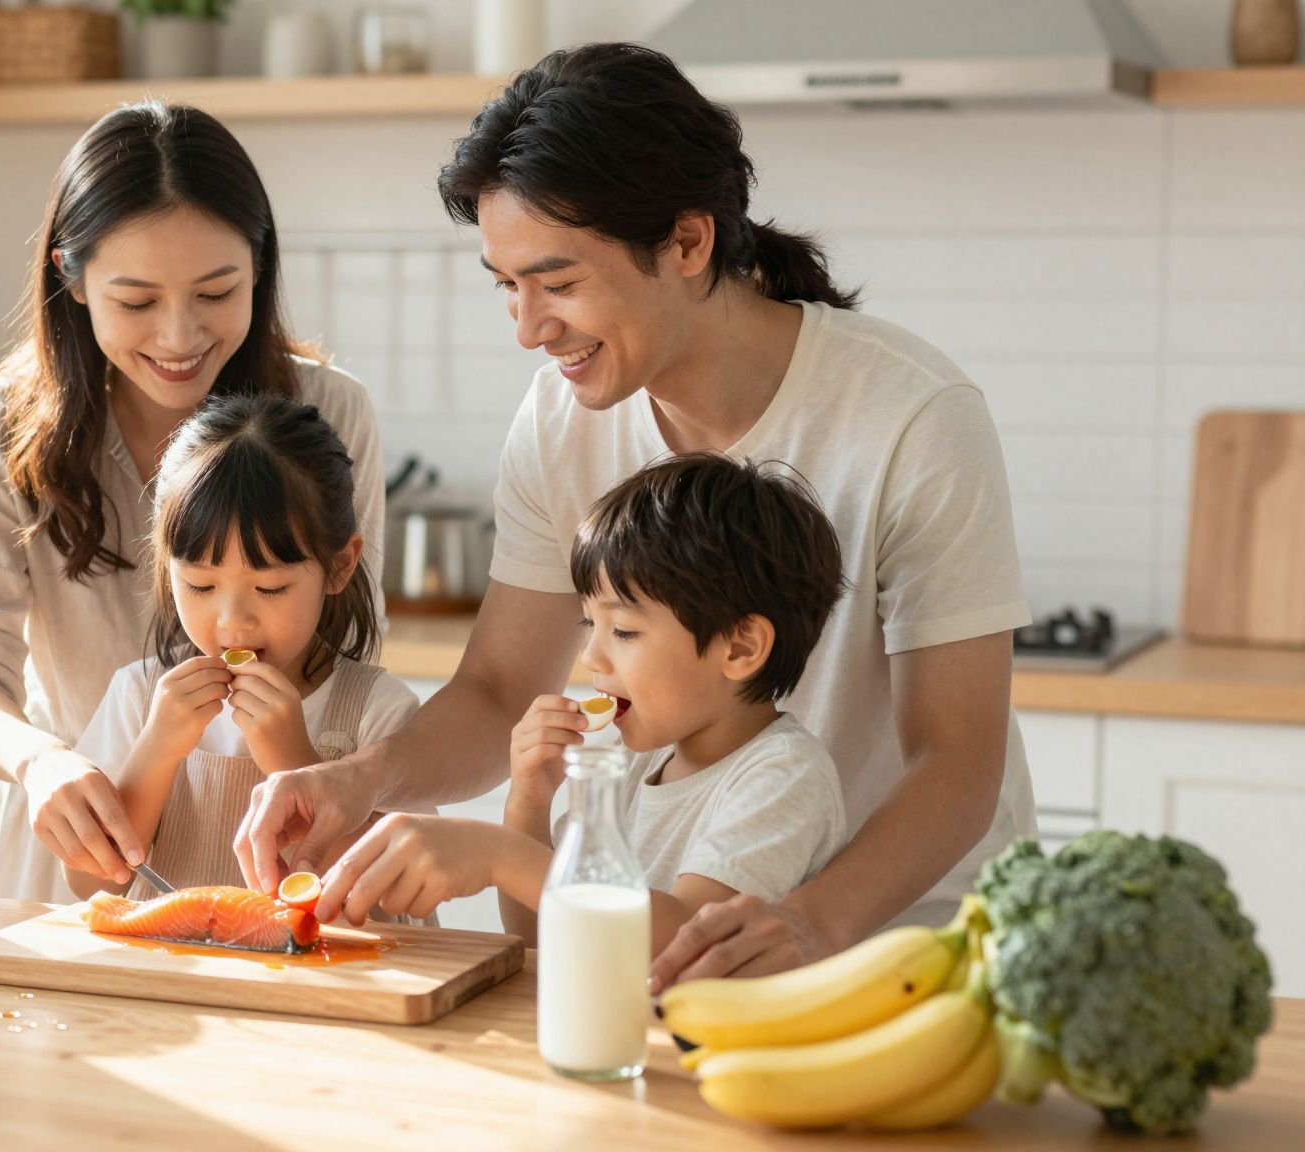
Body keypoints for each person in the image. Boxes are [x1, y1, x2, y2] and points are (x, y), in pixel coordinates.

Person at [238, 43, 1036, 987]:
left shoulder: (909, 414)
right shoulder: (556, 421)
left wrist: (807, 925)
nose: (531, 328)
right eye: (507, 286)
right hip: (669, 953)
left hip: (902, 946)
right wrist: (358, 781)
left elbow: (955, 764)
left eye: (559, 282)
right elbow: (497, 692)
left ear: (689, 243)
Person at [0, 102, 385, 903]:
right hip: (78, 835)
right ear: (72, 276)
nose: (179, 335)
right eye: (135, 302)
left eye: (216, 292)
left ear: (260, 269)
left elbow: (344, 659)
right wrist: (42, 761)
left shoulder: (327, 414)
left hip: (271, 843)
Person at [311, 453, 849, 957]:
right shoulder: (635, 765)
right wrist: (529, 803)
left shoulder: (781, 776)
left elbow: (687, 936)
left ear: (741, 647)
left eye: (626, 631)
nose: (592, 655)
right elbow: (539, 940)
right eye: (592, 625)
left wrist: (499, 854)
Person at [62, 394, 418, 900]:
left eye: (270, 588)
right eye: (201, 587)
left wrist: (296, 764)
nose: (232, 621)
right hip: (169, 974)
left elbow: (388, 903)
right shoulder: (139, 695)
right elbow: (88, 882)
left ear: (339, 566)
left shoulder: (377, 713)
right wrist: (158, 748)